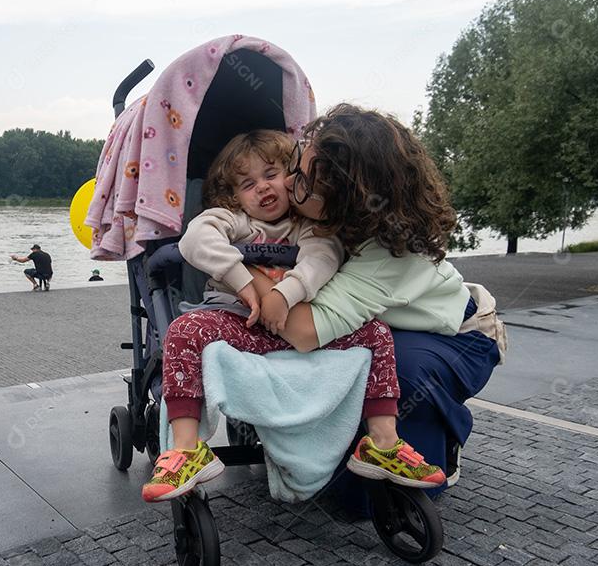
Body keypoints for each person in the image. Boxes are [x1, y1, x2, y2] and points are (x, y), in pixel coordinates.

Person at [142, 127, 447, 502]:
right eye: (248, 184)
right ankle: (187, 448)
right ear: (233, 196)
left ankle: (383, 442)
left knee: (377, 333)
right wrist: (240, 279)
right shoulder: (235, 220)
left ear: (291, 178)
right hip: (240, 321)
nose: (263, 188)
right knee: (184, 330)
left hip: (290, 321)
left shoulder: (307, 227)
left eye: (271, 175)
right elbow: (195, 240)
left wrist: (285, 294)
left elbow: (322, 258)